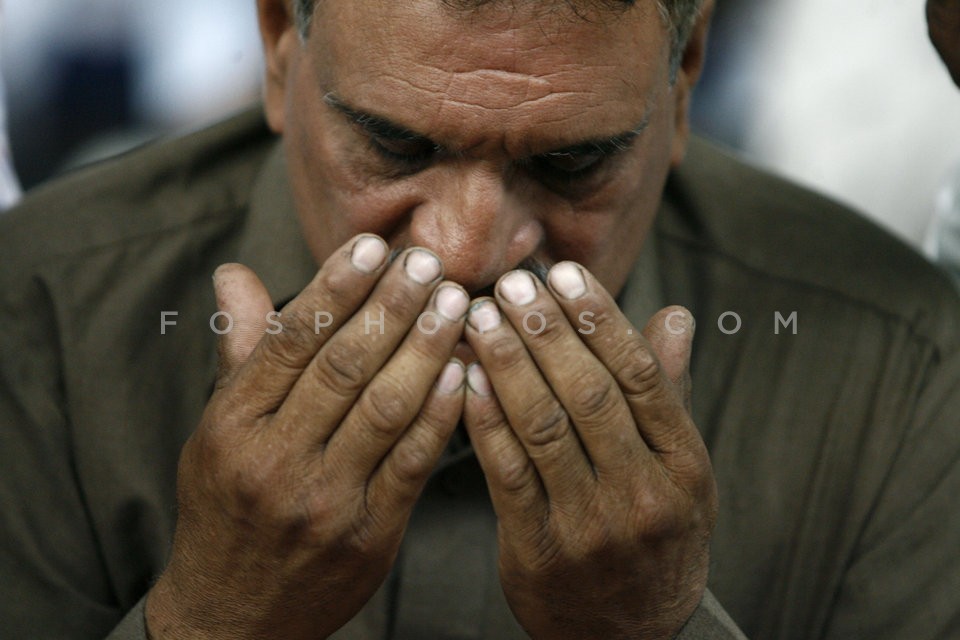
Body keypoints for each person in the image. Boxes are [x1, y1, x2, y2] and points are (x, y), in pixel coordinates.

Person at [1, 1, 959, 638]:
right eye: (392, 142)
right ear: (277, 40)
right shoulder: (38, 313)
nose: (464, 250)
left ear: (685, 74)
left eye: (573, 162)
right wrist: (213, 614)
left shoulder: (898, 366)